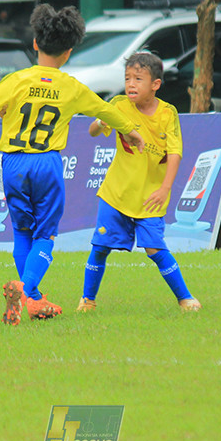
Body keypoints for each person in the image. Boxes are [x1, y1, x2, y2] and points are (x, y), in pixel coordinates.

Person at [0, 4, 145, 326]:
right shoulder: (71, 87)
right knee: (46, 236)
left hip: (11, 163)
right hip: (46, 164)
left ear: (36, 44)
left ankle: (33, 300)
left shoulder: (17, 79)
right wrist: (132, 131)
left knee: (22, 233)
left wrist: (4, 107)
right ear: (68, 52)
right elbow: (106, 111)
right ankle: (25, 289)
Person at [78, 52, 200, 313]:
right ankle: (87, 300)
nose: (131, 84)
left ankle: (185, 298)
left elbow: (175, 152)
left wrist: (165, 187)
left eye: (138, 79)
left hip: (150, 196)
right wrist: (101, 120)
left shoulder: (168, 113)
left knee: (155, 248)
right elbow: (92, 130)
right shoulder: (119, 105)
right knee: (100, 247)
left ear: (155, 84)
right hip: (116, 193)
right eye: (127, 78)